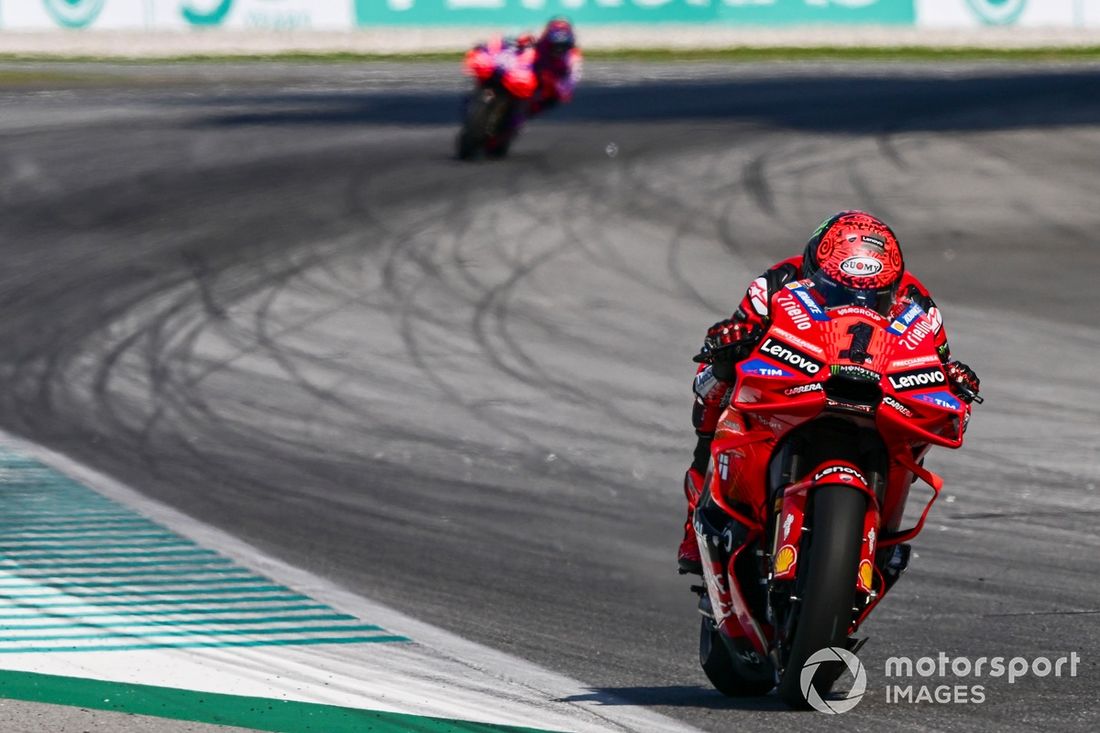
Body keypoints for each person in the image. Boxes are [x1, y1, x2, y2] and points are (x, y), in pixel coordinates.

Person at [677, 211, 981, 574]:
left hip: (876, 391)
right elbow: (724, 341)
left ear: (892, 285)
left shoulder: (917, 302)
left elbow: (937, 364)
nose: (857, 302)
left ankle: (883, 532)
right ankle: (695, 520)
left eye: (875, 296)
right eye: (837, 290)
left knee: (921, 428)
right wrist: (728, 345)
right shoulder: (774, 283)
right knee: (713, 384)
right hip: (795, 380)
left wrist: (955, 378)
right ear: (814, 270)